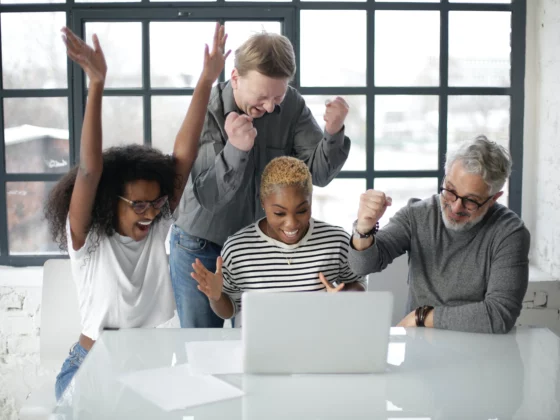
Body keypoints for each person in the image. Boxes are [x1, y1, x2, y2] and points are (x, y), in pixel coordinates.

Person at [45, 23, 229, 400]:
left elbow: (184, 154)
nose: (150, 213)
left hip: (151, 372)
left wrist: (207, 79)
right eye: (139, 205)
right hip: (91, 368)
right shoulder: (88, 240)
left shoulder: (158, 224)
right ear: (110, 202)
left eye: (157, 202)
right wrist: (96, 84)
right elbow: (90, 170)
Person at [170, 31, 352, 328]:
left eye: (277, 96)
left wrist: (332, 133)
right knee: (201, 346)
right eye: (262, 97)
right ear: (236, 77)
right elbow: (210, 197)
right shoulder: (209, 109)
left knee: (259, 341)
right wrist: (236, 149)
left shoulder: (291, 105)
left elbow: (317, 174)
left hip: (256, 248)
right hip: (201, 244)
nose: (270, 107)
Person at [348, 136, 530, 334]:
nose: (455, 206)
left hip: (480, 349)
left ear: (494, 198)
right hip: (420, 351)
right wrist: (364, 228)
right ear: (445, 177)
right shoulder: (417, 214)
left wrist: (422, 316)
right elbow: (362, 265)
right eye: (450, 190)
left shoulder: (509, 233)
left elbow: (499, 315)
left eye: (471, 200)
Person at [191, 156, 365, 324]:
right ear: (263, 203)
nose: (291, 224)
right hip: (261, 347)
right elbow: (230, 310)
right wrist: (216, 297)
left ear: (311, 201)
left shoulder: (336, 241)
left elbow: (357, 284)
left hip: (317, 344)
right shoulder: (238, 249)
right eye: (279, 213)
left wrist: (344, 299)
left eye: (302, 211)